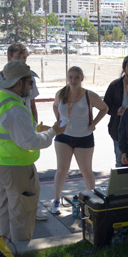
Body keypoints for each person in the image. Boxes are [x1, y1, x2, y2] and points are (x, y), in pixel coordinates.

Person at [0, 61, 66, 242]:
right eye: (30, 82)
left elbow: (12, 133)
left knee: (6, 210)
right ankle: (20, 255)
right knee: (22, 214)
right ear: (18, 82)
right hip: (16, 169)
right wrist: (53, 131)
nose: (32, 86)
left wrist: (35, 130)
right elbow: (30, 142)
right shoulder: (15, 108)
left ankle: (6, 250)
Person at [0, 42, 48, 221]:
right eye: (19, 58)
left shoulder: (21, 86)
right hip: (14, 159)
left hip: (4, 157)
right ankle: (19, 244)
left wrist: (34, 126)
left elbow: (31, 105)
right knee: (19, 211)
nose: (23, 62)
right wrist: (52, 132)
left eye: (25, 58)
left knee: (8, 207)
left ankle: (9, 242)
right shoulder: (2, 91)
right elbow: (28, 139)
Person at [50, 66, 108, 214]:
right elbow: (55, 106)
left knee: (87, 171)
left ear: (82, 79)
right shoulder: (61, 93)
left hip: (84, 137)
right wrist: (58, 121)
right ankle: (56, 200)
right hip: (63, 137)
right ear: (67, 78)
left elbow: (104, 108)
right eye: (70, 77)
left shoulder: (89, 95)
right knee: (62, 169)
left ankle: (93, 203)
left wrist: (94, 123)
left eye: (77, 77)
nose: (73, 80)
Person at [103, 55, 128, 167]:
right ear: (124, 68)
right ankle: (121, 183)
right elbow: (105, 105)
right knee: (121, 160)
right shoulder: (115, 85)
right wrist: (116, 110)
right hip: (118, 128)